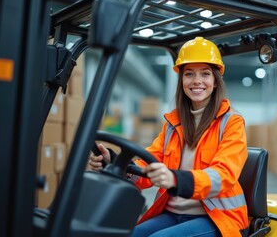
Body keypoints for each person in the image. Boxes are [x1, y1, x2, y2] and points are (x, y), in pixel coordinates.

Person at [89, 37, 249, 237]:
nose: (197, 80)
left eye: (205, 74)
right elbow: (151, 160)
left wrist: (175, 178)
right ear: (181, 80)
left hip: (217, 217)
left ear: (215, 81)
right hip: (173, 212)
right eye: (189, 74)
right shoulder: (174, 124)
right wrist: (118, 163)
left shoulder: (231, 122)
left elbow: (223, 176)